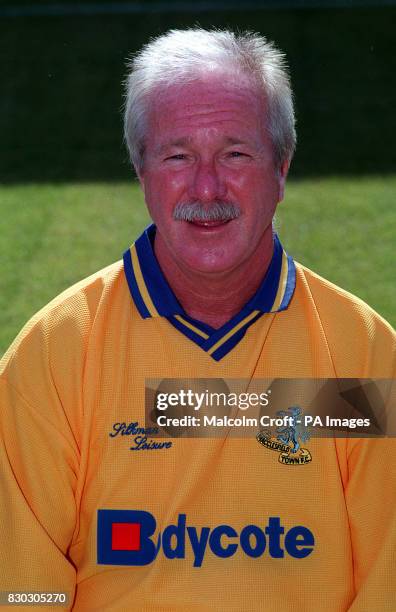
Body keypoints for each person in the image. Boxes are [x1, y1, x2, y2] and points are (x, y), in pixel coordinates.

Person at [0, 28, 395, 611]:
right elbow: (25, 590)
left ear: (281, 169)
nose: (207, 188)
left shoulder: (363, 356)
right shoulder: (55, 353)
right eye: (178, 156)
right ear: (141, 172)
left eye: (236, 154)